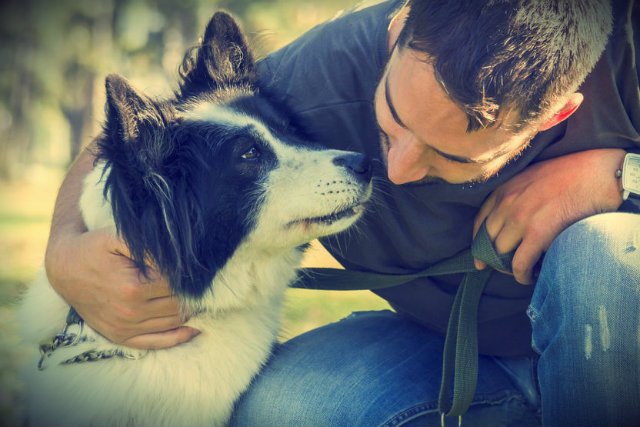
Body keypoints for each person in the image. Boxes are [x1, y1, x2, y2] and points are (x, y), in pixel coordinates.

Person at [44, 0, 640, 426]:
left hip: (617, 349)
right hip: (450, 356)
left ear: (555, 115)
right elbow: (159, 130)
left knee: (605, 253)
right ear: (400, 25)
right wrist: (63, 250)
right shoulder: (326, 66)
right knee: (274, 412)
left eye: (449, 156)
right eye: (392, 120)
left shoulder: (628, 55)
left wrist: (614, 174)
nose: (398, 170)